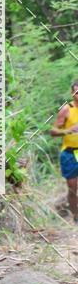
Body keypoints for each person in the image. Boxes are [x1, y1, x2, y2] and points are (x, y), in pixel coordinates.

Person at [50, 80, 78, 224]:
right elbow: (53, 131)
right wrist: (68, 130)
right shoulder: (66, 109)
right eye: (76, 92)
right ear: (72, 93)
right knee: (72, 188)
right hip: (69, 152)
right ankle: (75, 216)